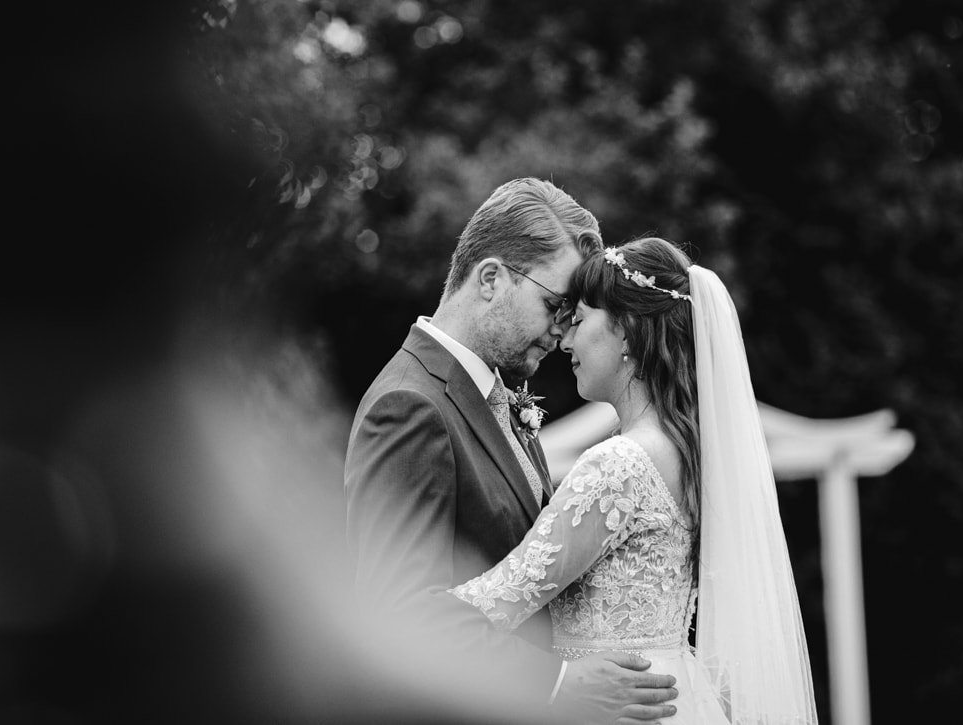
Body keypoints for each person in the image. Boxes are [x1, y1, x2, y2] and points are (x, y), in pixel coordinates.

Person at [344, 179, 680, 724]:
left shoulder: (497, 397)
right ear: (492, 278)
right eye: (554, 305)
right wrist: (557, 682)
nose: (562, 330)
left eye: (572, 313)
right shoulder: (410, 405)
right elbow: (396, 613)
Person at [450, 237, 819, 724]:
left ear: (626, 332)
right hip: (677, 696)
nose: (564, 342)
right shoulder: (688, 450)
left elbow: (501, 598)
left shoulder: (621, 465)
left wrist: (385, 611)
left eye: (578, 321)